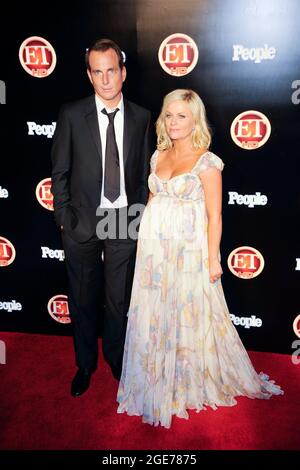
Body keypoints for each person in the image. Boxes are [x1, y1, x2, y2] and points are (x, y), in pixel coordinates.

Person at [117, 89, 283, 428]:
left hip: (188, 253)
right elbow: (151, 202)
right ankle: (156, 375)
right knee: (157, 312)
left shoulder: (207, 162)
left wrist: (212, 259)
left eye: (182, 116)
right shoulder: (158, 155)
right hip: (155, 254)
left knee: (189, 313)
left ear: (195, 121)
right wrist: (142, 243)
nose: (174, 122)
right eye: (169, 115)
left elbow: (215, 216)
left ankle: (187, 380)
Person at [51, 38, 152, 396]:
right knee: (81, 297)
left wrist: (137, 214)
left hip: (124, 218)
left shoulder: (142, 117)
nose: (106, 79)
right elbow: (59, 172)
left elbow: (142, 175)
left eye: (112, 71)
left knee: (119, 300)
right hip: (81, 222)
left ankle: (115, 358)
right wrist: (64, 217)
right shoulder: (71, 114)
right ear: (89, 76)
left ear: (123, 72)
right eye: (98, 72)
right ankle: (85, 364)